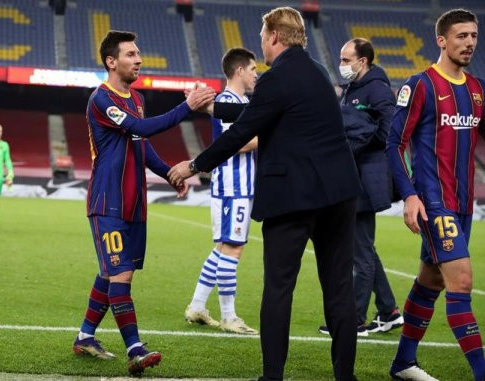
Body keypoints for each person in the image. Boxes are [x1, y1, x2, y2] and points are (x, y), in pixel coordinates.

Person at [168, 7, 361, 381]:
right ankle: (345, 376)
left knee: (278, 288)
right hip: (339, 193)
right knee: (339, 289)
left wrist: (194, 166)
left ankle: (272, 377)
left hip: (293, 196)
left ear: (273, 36)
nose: (261, 46)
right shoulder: (318, 72)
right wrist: (209, 104)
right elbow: (256, 111)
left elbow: (241, 131)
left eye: (262, 38)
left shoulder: (276, 78)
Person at [71, 30, 214, 376]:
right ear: (111, 61)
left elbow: (141, 144)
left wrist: (169, 173)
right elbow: (141, 128)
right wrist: (187, 107)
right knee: (119, 272)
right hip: (108, 202)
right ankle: (135, 348)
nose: (139, 59)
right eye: (131, 54)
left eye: (139, 53)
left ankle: (85, 336)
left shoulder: (135, 97)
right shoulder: (101, 99)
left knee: (114, 270)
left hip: (135, 203)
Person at [386, 8, 484, 381]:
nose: (469, 42)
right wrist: (410, 195)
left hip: (463, 205)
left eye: (473, 35)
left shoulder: (476, 89)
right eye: (461, 36)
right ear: (441, 40)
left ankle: (403, 364)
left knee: (432, 281)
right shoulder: (422, 85)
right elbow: (394, 143)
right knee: (461, 282)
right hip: (434, 202)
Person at [318, 38, 403, 338]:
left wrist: (361, 141)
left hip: (366, 179)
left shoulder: (377, 89)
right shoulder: (353, 88)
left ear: (362, 61)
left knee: (359, 252)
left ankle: (354, 319)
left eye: (345, 59)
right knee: (363, 248)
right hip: (355, 175)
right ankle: (389, 310)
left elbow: (391, 129)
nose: (341, 65)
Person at [184, 47, 259, 335]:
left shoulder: (237, 101)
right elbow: (235, 142)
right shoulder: (228, 100)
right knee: (233, 248)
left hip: (236, 186)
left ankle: (197, 306)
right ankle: (229, 317)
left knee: (222, 248)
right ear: (239, 70)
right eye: (252, 69)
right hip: (232, 186)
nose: (256, 75)